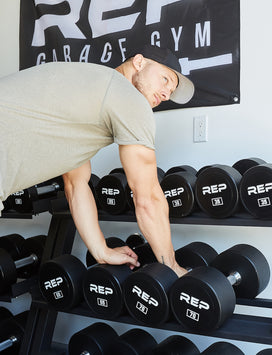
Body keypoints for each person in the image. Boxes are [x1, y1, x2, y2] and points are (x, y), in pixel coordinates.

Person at [0, 45, 194, 277]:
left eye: (170, 92)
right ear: (139, 62)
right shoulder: (128, 97)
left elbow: (76, 185)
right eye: (165, 79)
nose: (166, 94)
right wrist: (171, 267)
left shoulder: (87, 89)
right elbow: (148, 197)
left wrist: (101, 250)